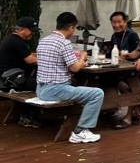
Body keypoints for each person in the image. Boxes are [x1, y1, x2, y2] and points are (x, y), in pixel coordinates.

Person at [36, 12, 104, 144]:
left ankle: (82, 124)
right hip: (55, 89)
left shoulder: (43, 41)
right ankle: (81, 131)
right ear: (71, 27)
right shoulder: (64, 43)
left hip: (41, 88)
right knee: (97, 93)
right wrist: (83, 56)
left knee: (81, 91)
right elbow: (75, 68)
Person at [0, 16, 40, 127]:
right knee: (40, 85)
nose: (32, 33)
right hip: (10, 80)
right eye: (31, 30)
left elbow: (27, 54)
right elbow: (30, 60)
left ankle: (28, 115)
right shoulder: (18, 42)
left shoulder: (12, 39)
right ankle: (28, 116)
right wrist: (49, 59)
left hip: (6, 77)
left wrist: (39, 55)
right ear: (21, 29)